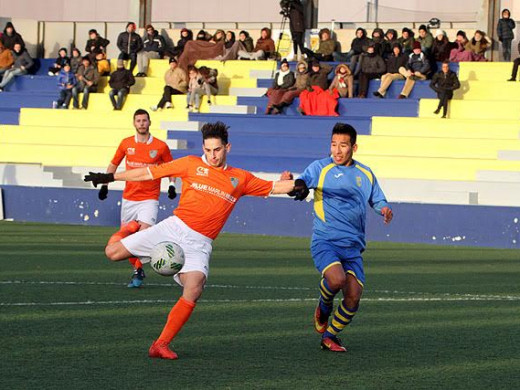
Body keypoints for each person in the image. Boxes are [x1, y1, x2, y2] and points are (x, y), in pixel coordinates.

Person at [83, 121, 308, 359]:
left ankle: (160, 344)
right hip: (173, 228)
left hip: (199, 243)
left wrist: (298, 185)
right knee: (112, 253)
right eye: (208, 150)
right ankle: (130, 228)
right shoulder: (190, 163)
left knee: (195, 286)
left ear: (227, 148)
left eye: (217, 150)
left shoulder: (239, 178)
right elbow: (147, 172)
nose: (212, 155)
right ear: (203, 147)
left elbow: (272, 186)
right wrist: (110, 176)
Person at [286, 122, 393, 352]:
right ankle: (324, 307)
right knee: (336, 280)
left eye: (342, 145)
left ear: (353, 147)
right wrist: (296, 186)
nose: (336, 150)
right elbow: (302, 183)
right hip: (326, 241)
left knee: (353, 297)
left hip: (353, 247)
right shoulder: (320, 168)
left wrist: (384, 208)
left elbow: (377, 198)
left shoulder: (365, 173)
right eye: (333, 144)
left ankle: (330, 335)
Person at [96, 109, 177, 288]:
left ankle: (165, 258)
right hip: (129, 199)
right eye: (138, 120)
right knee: (127, 240)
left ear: (150, 122)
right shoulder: (126, 144)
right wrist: (104, 185)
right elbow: (113, 164)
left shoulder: (160, 146)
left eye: (144, 120)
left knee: (143, 234)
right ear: (134, 123)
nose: (141, 123)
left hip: (149, 199)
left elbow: (171, 167)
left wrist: (172, 185)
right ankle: (138, 269)